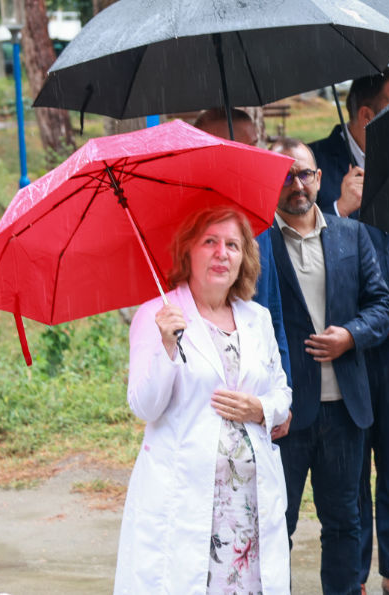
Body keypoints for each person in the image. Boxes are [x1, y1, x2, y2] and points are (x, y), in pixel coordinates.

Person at [114, 205, 292, 594]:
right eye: (210, 241)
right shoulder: (157, 315)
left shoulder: (257, 318)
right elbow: (144, 406)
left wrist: (260, 409)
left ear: (244, 257)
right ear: (188, 250)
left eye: (232, 245)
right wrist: (166, 348)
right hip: (186, 502)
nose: (221, 253)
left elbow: (281, 392)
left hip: (249, 506)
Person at [266, 139, 389, 595]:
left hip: (343, 408)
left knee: (344, 524)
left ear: (320, 178)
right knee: (275, 525)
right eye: (284, 176)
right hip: (284, 414)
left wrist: (351, 335)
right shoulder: (257, 243)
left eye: (303, 174)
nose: (296, 184)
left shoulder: (351, 235)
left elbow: (383, 306)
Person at [311, 68, 389, 594]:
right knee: (350, 470)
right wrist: (337, 209)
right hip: (345, 341)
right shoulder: (315, 163)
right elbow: (291, 235)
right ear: (366, 115)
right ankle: (351, 578)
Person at [193, 108, 292, 441]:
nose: (255, 155)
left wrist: (283, 396)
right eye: (244, 146)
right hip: (201, 396)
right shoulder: (183, 223)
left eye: (256, 143)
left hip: (257, 394)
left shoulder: (258, 216)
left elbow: (273, 311)